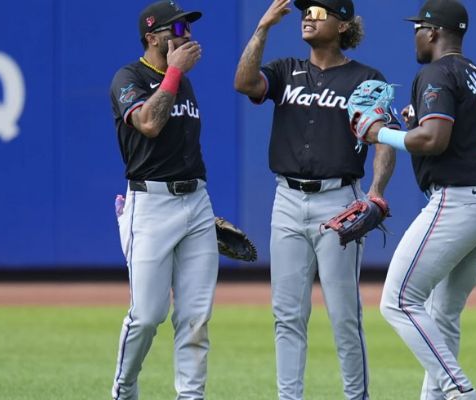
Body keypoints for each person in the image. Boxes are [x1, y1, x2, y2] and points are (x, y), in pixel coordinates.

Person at [233, 0, 397, 399]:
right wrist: (262, 29)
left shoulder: (365, 78)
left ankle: (356, 397)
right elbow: (244, 83)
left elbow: (385, 139)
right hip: (287, 200)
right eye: (306, 11)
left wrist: (376, 192)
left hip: (339, 199)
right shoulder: (286, 70)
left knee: (344, 316)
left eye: (320, 13)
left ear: (343, 25)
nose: (308, 16)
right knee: (287, 315)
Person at [362, 0, 476, 399]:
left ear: (433, 32)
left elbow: (433, 139)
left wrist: (379, 134)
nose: (414, 34)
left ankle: (462, 393)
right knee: (442, 317)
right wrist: (402, 123)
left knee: (397, 302)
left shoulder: (436, 71)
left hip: (460, 201)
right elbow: (440, 130)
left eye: (418, 28)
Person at [108, 1, 218, 399]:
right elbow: (149, 124)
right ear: (153, 37)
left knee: (195, 318)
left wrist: (198, 211)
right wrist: (174, 71)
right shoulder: (129, 76)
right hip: (151, 204)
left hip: (196, 203)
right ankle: (124, 388)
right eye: (176, 29)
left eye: (186, 27)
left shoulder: (181, 80)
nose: (185, 35)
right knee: (147, 315)